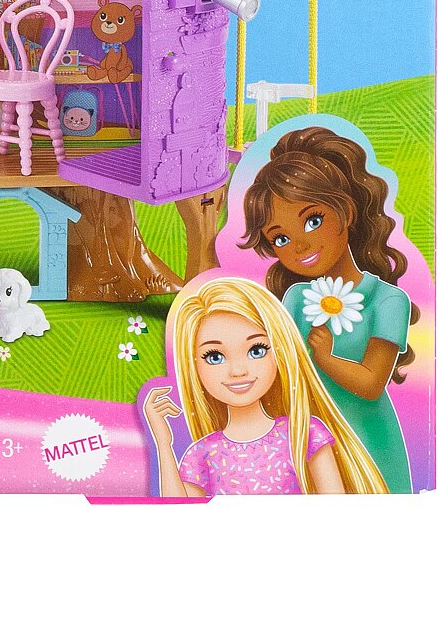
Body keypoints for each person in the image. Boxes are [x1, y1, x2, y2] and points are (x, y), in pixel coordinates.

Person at [239, 126, 416, 492]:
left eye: (313, 220)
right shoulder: (296, 298)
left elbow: (371, 384)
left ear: (346, 212)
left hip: (367, 440)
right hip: (307, 441)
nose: (300, 245)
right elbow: (280, 375)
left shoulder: (387, 300)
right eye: (280, 238)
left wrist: (325, 358)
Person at [143, 277, 387, 496]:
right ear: (193, 365)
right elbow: (180, 516)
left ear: (279, 351)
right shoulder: (202, 454)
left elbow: (336, 511)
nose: (238, 370)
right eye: (215, 357)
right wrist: (163, 443)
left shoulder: (304, 433)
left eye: (256, 350)